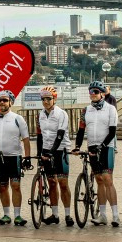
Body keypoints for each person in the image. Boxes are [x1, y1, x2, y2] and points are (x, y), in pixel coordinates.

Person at [0, 90, 32, 225]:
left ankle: (18, 215)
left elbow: (26, 139)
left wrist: (27, 157)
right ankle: (6, 215)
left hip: (14, 157)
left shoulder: (18, 118)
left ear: (11, 102)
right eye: (0, 100)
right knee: (3, 187)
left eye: (5, 100)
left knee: (15, 185)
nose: (2, 103)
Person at [78, 80, 120, 227]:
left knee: (108, 179)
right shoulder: (85, 110)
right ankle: (102, 215)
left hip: (106, 146)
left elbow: (113, 132)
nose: (93, 95)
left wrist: (102, 146)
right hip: (92, 146)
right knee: (99, 181)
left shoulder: (110, 109)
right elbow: (81, 130)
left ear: (102, 94)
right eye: (91, 92)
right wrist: (77, 146)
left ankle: (115, 215)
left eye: (95, 92)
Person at [33, 86, 73, 226]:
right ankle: (55, 215)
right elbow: (39, 135)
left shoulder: (62, 114)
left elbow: (60, 135)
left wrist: (52, 151)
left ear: (54, 99)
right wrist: (40, 153)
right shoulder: (40, 114)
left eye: (48, 99)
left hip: (60, 149)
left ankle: (68, 215)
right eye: (43, 99)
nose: (45, 101)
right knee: (51, 183)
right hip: (46, 149)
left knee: (63, 183)